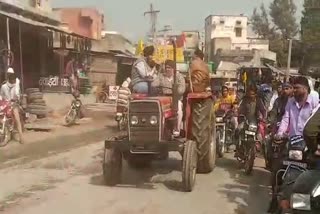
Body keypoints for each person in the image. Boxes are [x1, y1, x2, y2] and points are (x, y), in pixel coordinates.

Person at [152, 59, 186, 136]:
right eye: (166, 67)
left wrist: (175, 90)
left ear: (173, 69)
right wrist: (157, 86)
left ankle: (176, 129)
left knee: (179, 109)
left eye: (170, 67)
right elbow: (154, 84)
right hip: (164, 99)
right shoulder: (161, 76)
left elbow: (181, 89)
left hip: (175, 99)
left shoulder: (179, 77)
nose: (167, 69)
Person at [235, 85, 266, 157]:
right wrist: (239, 113)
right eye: (250, 93)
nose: (251, 95)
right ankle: (237, 147)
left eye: (253, 94)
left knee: (260, 137)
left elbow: (263, 110)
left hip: (255, 121)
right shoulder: (244, 100)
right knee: (238, 130)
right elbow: (240, 108)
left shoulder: (259, 100)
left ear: (255, 94)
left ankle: (259, 150)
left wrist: (264, 117)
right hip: (244, 119)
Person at [0, 68, 23, 143]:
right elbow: (1, 96)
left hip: (13, 104)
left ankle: (21, 137)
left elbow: (18, 94)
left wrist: (16, 99)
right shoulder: (4, 86)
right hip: (6, 104)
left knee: (17, 119)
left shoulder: (16, 84)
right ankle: (6, 131)